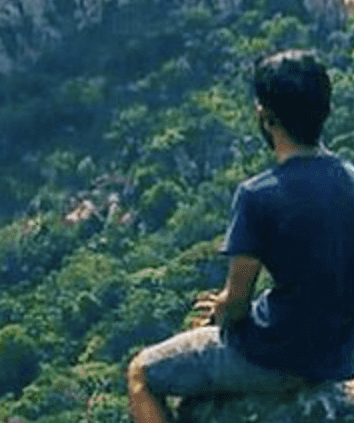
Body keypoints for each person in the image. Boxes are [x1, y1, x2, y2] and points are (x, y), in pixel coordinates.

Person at [127, 49, 354, 423]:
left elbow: (236, 304)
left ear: (265, 117)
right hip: (335, 355)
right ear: (325, 110)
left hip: (274, 357)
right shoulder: (348, 178)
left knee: (141, 373)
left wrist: (220, 307)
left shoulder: (257, 195)